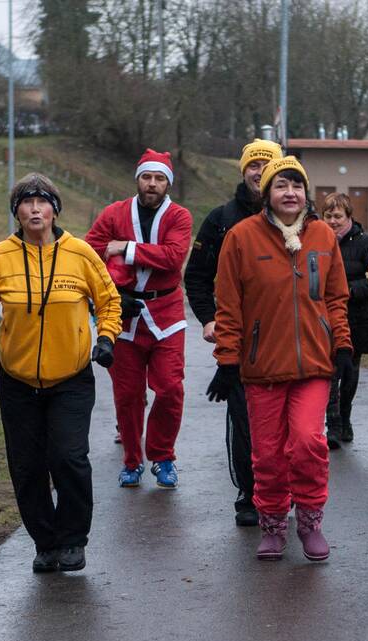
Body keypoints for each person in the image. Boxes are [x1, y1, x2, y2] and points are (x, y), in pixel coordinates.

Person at [0, 173, 121, 573]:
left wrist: (106, 338)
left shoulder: (81, 254)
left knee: (69, 458)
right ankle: (45, 543)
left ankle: (73, 540)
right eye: (26, 202)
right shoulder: (0, 256)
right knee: (27, 465)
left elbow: (109, 302)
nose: (35, 209)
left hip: (71, 379)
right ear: (16, 212)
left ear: (54, 210)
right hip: (17, 383)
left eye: (42, 201)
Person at [207, 156, 353, 561]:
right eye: (280, 185)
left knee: (307, 443)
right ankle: (272, 524)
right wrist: (227, 359)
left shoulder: (323, 236)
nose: (290, 193)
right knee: (267, 453)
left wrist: (342, 346)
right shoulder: (240, 237)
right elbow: (229, 305)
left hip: (314, 365)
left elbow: (337, 298)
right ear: (266, 194)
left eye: (297, 185)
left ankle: (309, 522)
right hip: (262, 368)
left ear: (306, 192)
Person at [184, 138, 283, 525]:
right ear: (243, 171)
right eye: (253, 166)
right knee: (245, 422)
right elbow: (196, 277)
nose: (259, 172)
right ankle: (250, 492)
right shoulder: (221, 219)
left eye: (267, 164)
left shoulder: (298, 218)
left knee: (286, 422)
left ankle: (280, 488)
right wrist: (209, 319)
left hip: (286, 339)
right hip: (240, 341)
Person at [85, 149, 193, 490]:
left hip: (166, 314)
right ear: (137, 179)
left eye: (159, 178)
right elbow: (90, 253)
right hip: (124, 315)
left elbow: (174, 257)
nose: (152, 184)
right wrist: (113, 295)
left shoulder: (179, 216)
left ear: (167, 184)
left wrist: (125, 248)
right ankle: (132, 460)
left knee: (170, 388)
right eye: (147, 177)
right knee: (127, 394)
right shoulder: (114, 213)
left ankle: (163, 456)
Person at [320, 192, 368, 448]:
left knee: (350, 373)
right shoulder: (317, 240)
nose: (333, 221)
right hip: (325, 318)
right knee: (330, 372)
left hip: (356, 317)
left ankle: (346, 415)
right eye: (328, 216)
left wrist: (350, 290)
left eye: (338, 216)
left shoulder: (365, 242)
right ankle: (333, 424)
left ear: (349, 217)